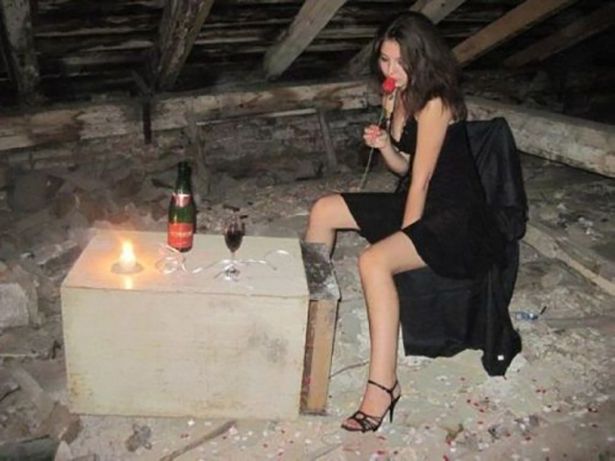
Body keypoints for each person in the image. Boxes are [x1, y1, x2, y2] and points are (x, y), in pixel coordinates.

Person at [305, 12, 507, 433]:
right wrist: (384, 146)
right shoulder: (396, 95)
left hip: (455, 215)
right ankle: (312, 316)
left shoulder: (435, 102)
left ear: (423, 58)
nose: (391, 71)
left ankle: (384, 386)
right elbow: (404, 167)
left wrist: (407, 235)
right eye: (385, 60)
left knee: (373, 261)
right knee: (324, 208)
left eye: (402, 62)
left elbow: (422, 180)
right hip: (418, 194)